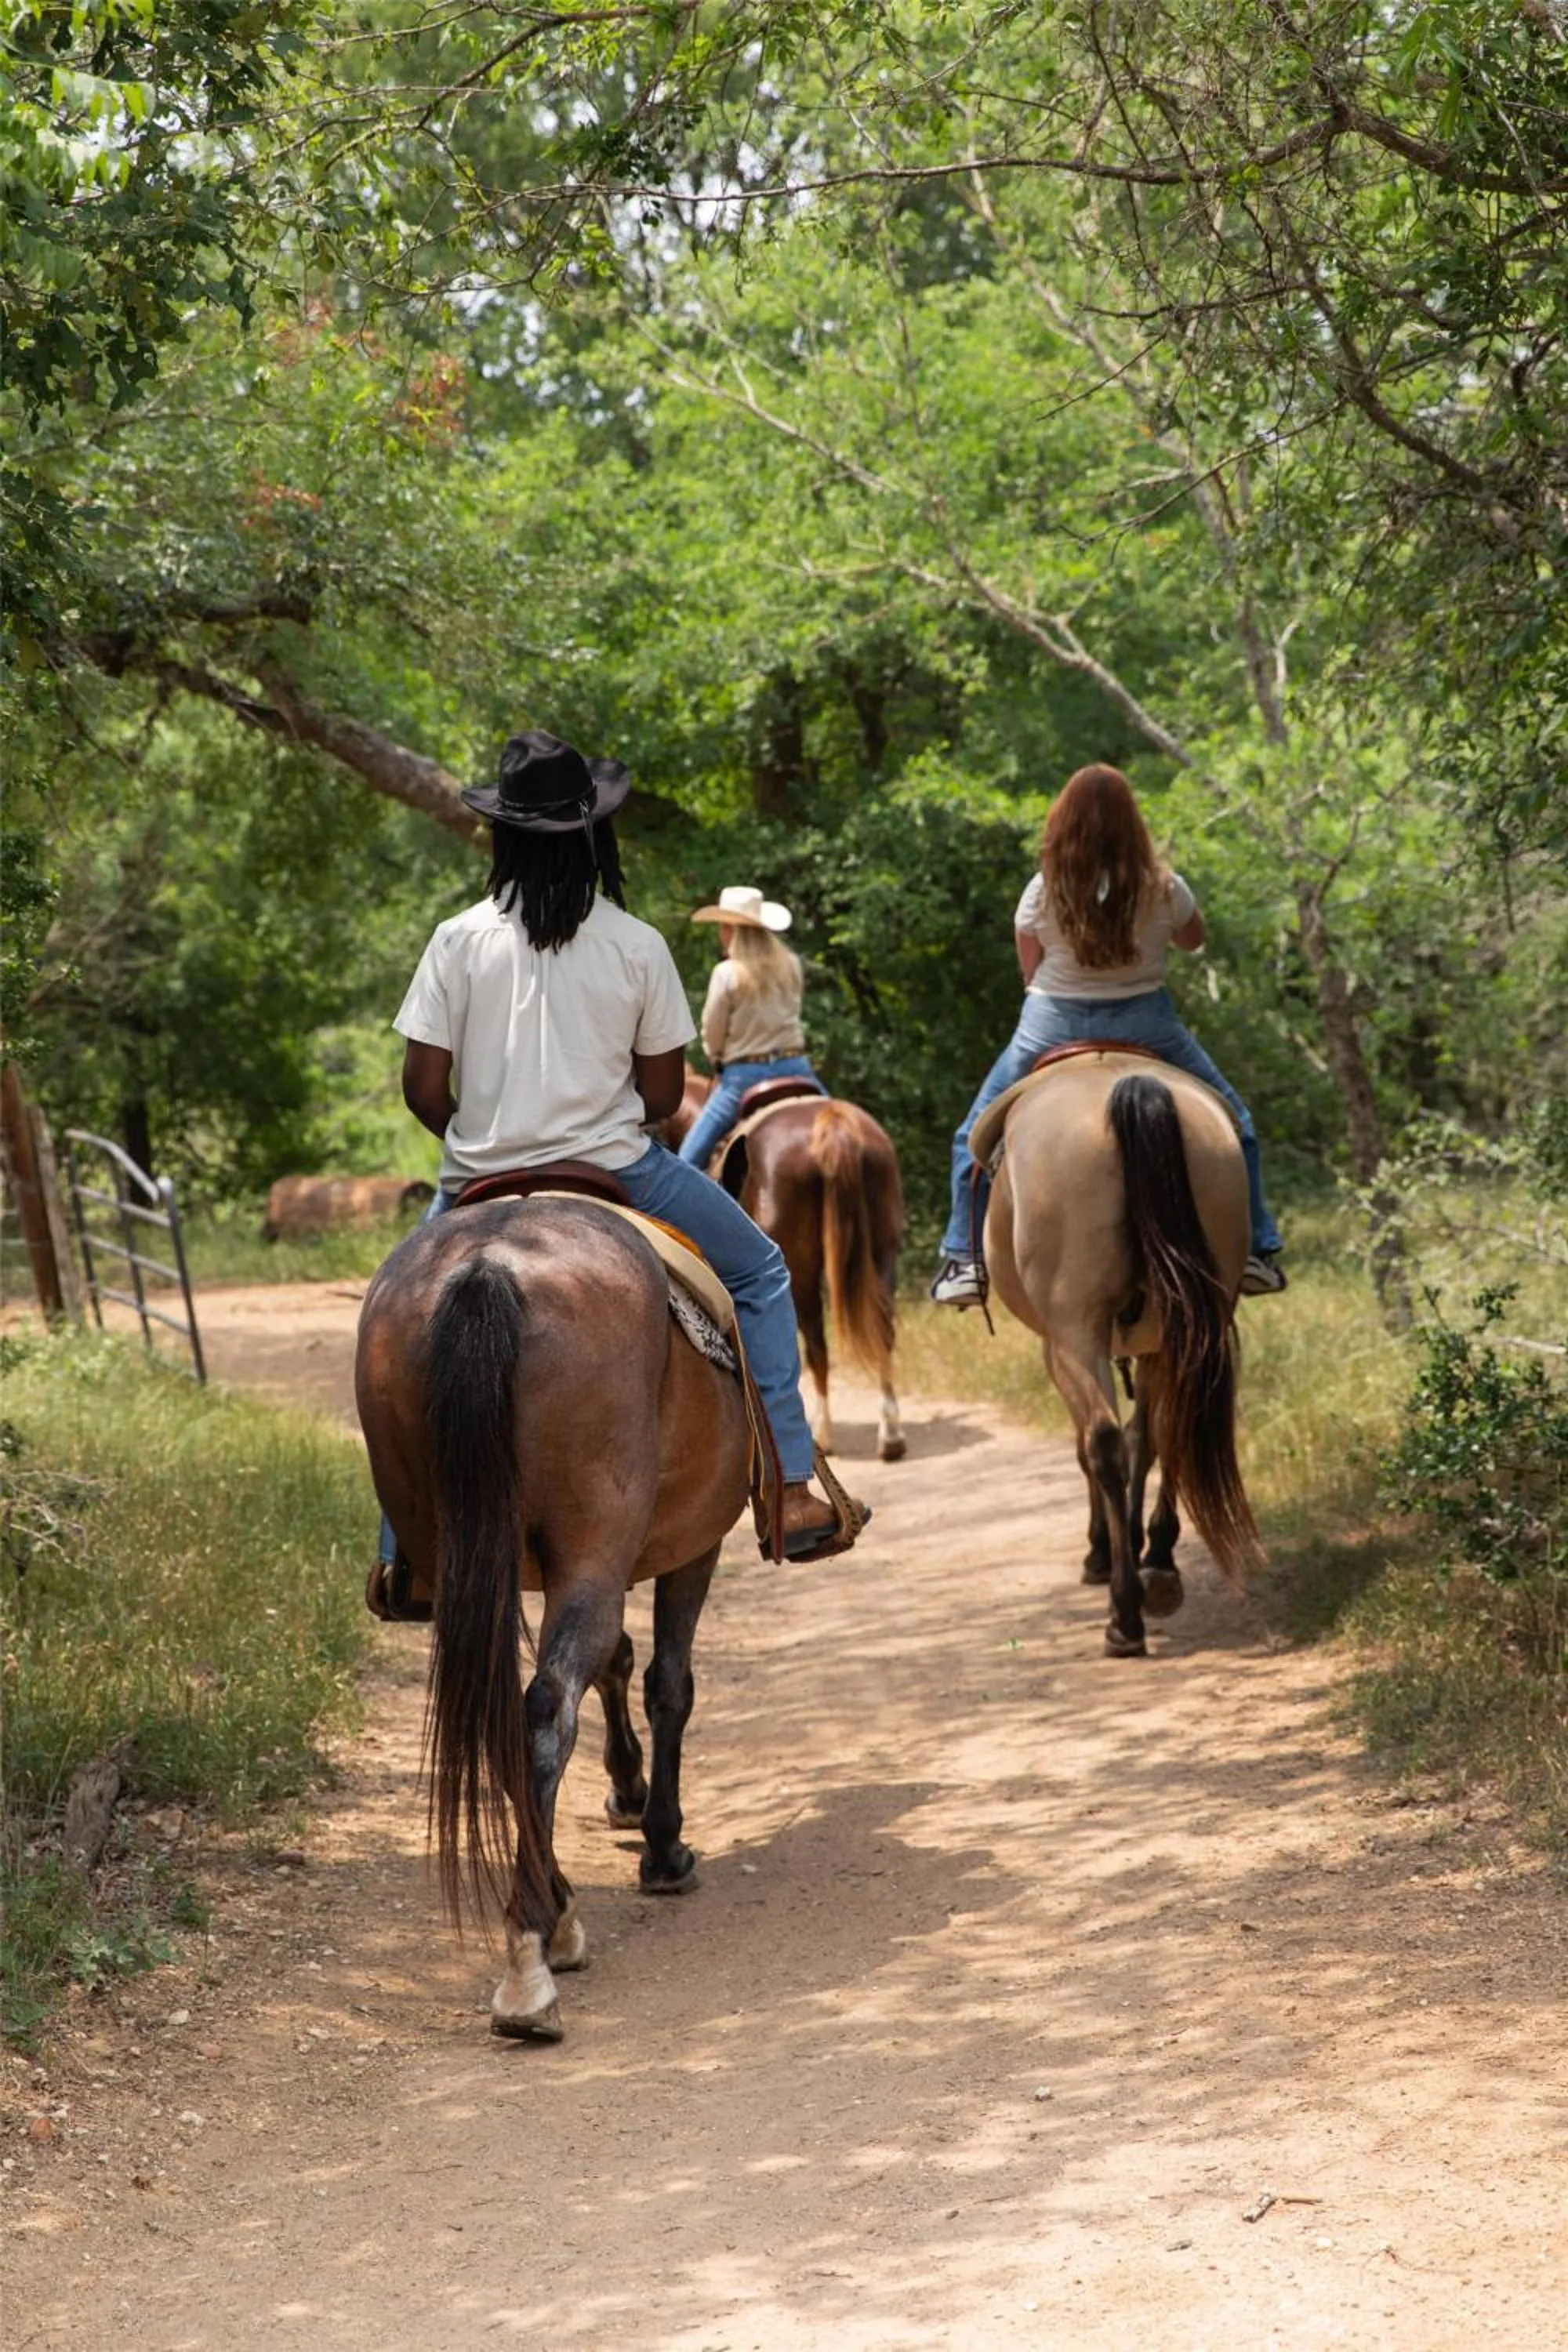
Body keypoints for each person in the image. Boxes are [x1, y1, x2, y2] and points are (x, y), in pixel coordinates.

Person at [376, 729, 865, 1567]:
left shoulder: (454, 940)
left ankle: (404, 1544)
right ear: (594, 834)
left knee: (391, 1322)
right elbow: (666, 1098)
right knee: (757, 1273)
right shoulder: (637, 945)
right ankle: (786, 1486)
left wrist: (483, 1140)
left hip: (476, 1177)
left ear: (501, 835)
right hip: (616, 1172)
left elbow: (423, 1090)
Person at [930, 762, 1287, 1308]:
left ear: (1063, 821)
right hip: (1147, 1019)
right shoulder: (1163, 884)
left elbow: (1030, 965)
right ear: (1132, 823)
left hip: (1052, 1023)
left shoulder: (1043, 888)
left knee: (971, 1134)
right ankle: (1259, 1249)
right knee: (1236, 1124)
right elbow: (1194, 941)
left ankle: (963, 1260)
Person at [677, 886, 822, 1168]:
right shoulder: (790, 964)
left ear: (731, 930)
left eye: (722, 927)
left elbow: (713, 1030)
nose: (721, 934)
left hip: (743, 1077)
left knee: (686, 1163)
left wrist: (716, 1056)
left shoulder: (727, 973)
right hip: (796, 1067)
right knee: (838, 1120)